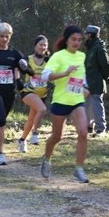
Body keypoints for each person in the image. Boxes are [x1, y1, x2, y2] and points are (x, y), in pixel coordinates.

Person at [0, 23, 34, 165]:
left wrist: (24, 67)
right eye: (1, 36)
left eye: (7, 37)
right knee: (1, 118)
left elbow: (30, 71)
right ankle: (0, 153)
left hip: (9, 91)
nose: (4, 39)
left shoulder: (14, 54)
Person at [40, 24, 90, 183]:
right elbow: (44, 76)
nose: (76, 43)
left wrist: (85, 87)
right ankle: (47, 159)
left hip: (77, 101)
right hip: (60, 102)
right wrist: (65, 73)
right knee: (56, 137)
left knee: (83, 133)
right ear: (66, 40)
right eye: (73, 39)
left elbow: (82, 75)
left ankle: (79, 169)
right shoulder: (58, 56)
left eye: (79, 40)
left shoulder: (81, 56)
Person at [16, 35, 50, 152]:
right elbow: (17, 68)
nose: (43, 47)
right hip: (28, 92)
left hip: (42, 94)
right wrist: (17, 81)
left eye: (45, 45)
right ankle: (35, 134)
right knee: (42, 109)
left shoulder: (48, 61)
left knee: (31, 119)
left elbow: (54, 75)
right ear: (35, 46)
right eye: (40, 44)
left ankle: (21, 140)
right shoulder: (28, 59)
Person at [84, 25, 109, 137]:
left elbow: (105, 65)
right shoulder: (92, 47)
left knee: (96, 105)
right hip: (89, 81)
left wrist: (104, 77)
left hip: (96, 82)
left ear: (90, 34)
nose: (85, 35)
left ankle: (101, 129)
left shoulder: (99, 48)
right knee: (88, 105)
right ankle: (89, 127)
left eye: (86, 33)